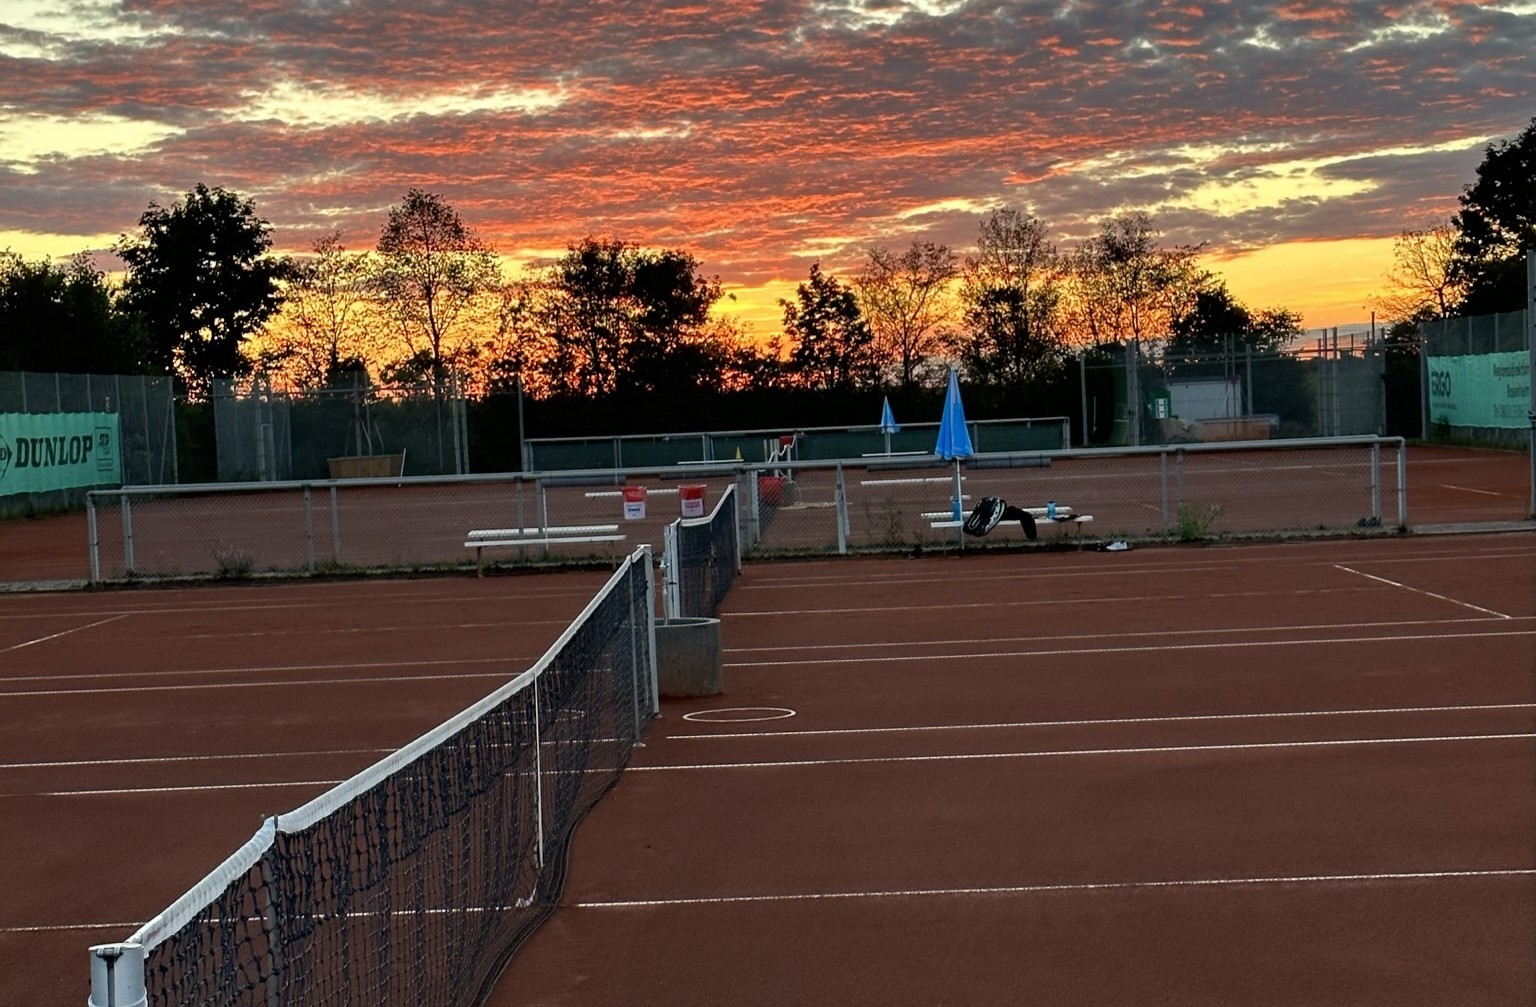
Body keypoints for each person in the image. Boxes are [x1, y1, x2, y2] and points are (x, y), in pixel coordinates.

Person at [963, 496, 1036, 540]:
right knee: (1024, 516)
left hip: (998, 509)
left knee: (1025, 516)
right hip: (995, 509)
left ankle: (1032, 537)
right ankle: (1032, 538)